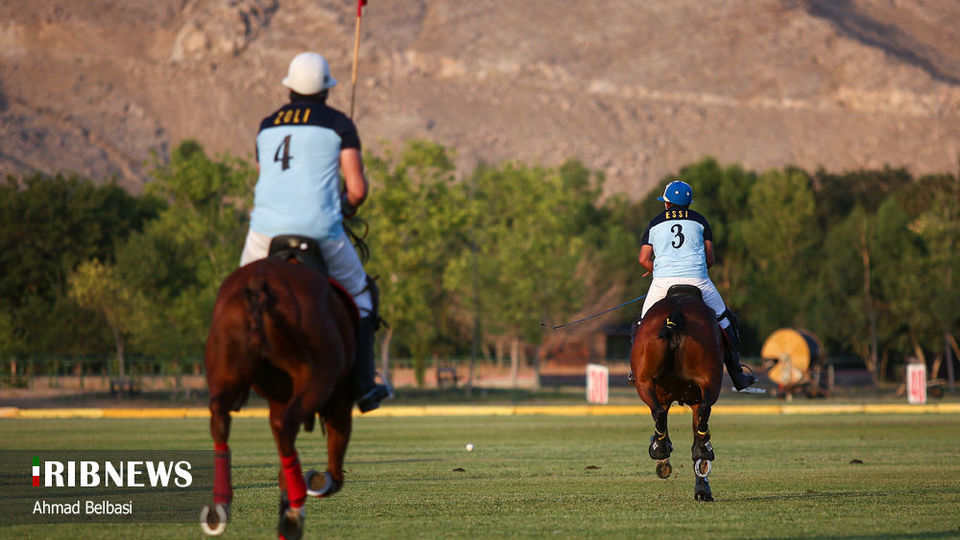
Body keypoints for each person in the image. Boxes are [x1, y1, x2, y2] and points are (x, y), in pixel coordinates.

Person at [240, 51, 391, 412]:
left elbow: (268, 178)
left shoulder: (267, 125)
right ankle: (365, 386)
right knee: (362, 294)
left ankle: (237, 377)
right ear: (326, 89)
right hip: (320, 229)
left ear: (289, 87)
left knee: (238, 293)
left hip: (265, 230)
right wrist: (346, 207)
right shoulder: (339, 124)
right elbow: (356, 190)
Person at [635, 179, 758, 390]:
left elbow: (643, 259)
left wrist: (657, 270)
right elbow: (710, 259)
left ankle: (634, 371)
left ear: (667, 204)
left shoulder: (654, 223)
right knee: (726, 320)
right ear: (689, 203)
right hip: (698, 280)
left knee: (641, 325)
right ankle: (738, 375)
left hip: (663, 283)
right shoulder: (701, 221)